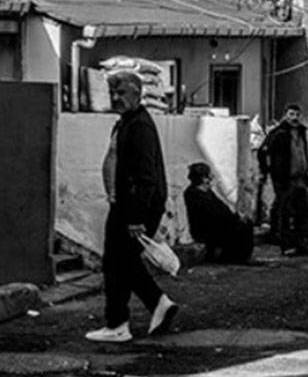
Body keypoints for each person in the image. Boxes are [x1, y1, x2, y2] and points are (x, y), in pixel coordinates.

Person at [85, 71, 178, 343]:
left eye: (122, 92)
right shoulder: (128, 123)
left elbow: (147, 177)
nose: (116, 98)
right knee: (119, 262)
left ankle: (127, 318)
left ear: (137, 93)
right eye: (113, 93)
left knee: (118, 262)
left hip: (134, 208)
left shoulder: (140, 127)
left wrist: (136, 216)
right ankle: (127, 318)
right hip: (126, 205)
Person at [261, 103, 308, 255]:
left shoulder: (302, 132)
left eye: (297, 114)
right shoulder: (278, 133)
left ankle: (301, 244)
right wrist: (269, 171)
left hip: (300, 179)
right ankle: (287, 245)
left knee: (303, 212)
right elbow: (263, 152)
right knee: (285, 212)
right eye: (291, 114)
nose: (294, 118)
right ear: (285, 115)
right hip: (285, 179)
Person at [183, 163, 254, 264]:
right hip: (207, 229)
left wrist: (235, 216)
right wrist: (234, 218)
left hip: (216, 224)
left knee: (245, 223)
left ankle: (237, 256)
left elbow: (221, 207)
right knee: (242, 227)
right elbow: (214, 213)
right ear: (203, 178)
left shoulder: (206, 192)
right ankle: (235, 257)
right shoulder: (194, 194)